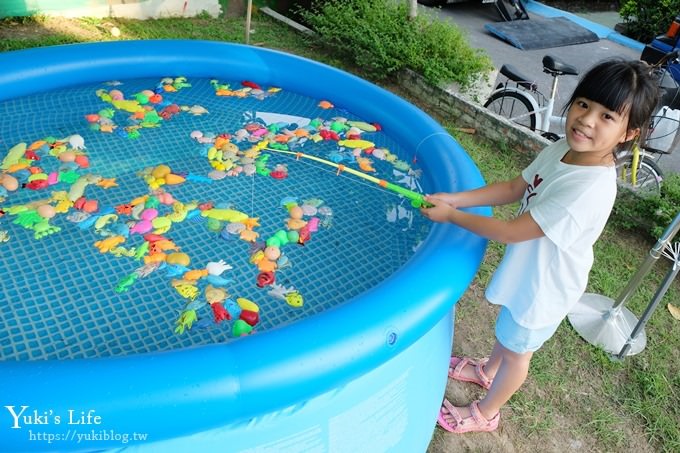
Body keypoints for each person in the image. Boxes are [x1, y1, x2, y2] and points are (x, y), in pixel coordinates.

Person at [420, 59, 659, 434]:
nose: (587, 120)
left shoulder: (588, 188)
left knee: (518, 352)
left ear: (629, 133)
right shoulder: (564, 148)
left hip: (544, 287)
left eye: (607, 116)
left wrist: (451, 216)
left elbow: (513, 231)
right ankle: (487, 370)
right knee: (508, 334)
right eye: (584, 104)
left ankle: (486, 413)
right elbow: (517, 186)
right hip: (529, 271)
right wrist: (456, 198)